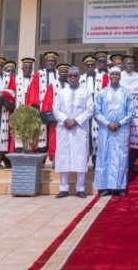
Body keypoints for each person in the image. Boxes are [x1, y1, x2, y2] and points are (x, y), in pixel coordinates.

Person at [53, 66, 94, 198]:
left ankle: (80, 188)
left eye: (75, 75)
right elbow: (55, 109)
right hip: (64, 128)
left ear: (79, 77)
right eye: (70, 75)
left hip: (79, 129)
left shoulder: (86, 92)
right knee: (63, 157)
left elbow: (90, 110)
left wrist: (76, 121)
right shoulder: (61, 92)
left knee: (81, 158)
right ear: (67, 77)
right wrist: (65, 120)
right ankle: (63, 188)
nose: (72, 78)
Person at [94, 68, 136, 197]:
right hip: (105, 129)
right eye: (112, 74)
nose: (115, 76)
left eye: (117, 74)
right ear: (109, 76)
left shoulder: (126, 93)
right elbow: (96, 112)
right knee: (104, 156)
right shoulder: (102, 93)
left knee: (120, 157)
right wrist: (108, 123)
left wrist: (119, 123)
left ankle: (119, 187)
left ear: (120, 76)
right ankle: (104, 186)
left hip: (121, 130)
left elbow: (131, 112)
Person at [26, 52, 61, 154]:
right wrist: (34, 106)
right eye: (48, 61)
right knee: (41, 133)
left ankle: (54, 156)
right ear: (45, 62)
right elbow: (33, 90)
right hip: (41, 108)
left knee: (54, 133)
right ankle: (41, 159)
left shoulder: (60, 73)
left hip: (56, 108)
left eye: (52, 61)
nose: (50, 63)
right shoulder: (38, 74)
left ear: (55, 62)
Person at [119, 55, 138, 173]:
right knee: (123, 137)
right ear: (124, 65)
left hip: (136, 111)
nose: (129, 65)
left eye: (131, 63)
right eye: (127, 63)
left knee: (134, 138)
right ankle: (123, 164)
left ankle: (131, 163)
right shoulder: (119, 76)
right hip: (122, 112)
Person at [83, 55, 109, 168]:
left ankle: (96, 160)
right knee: (85, 135)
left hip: (98, 111)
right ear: (85, 67)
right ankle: (83, 160)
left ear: (95, 66)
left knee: (97, 136)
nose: (90, 67)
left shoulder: (103, 77)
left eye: (92, 65)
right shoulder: (80, 78)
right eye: (88, 65)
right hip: (84, 112)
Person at [13, 57, 35, 152]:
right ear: (22, 68)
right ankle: (18, 154)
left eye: (29, 68)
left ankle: (28, 153)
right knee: (19, 134)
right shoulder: (16, 79)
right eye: (25, 67)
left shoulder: (35, 79)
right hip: (19, 110)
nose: (27, 69)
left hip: (31, 111)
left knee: (30, 134)